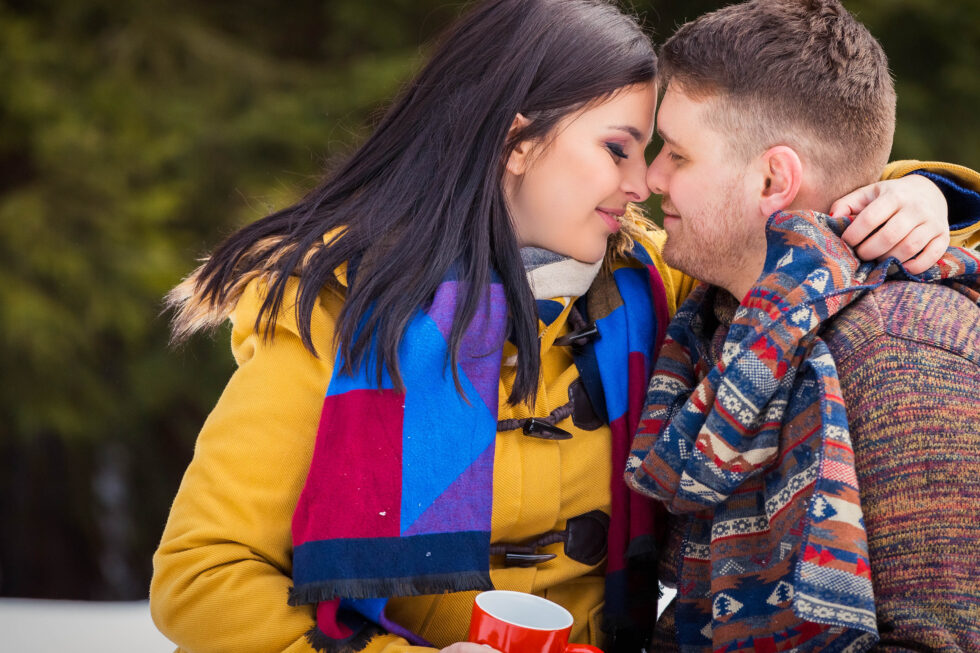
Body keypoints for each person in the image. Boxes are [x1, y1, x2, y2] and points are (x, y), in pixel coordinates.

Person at [150, 1, 978, 652]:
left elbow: (795, 206)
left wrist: (922, 194)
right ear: (519, 142)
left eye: (658, 152)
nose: (644, 182)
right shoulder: (341, 311)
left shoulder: (651, 280)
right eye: (619, 149)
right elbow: (201, 573)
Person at [627, 1, 980, 651]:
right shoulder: (723, 325)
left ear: (774, 178)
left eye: (677, 154)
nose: (651, 177)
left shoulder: (904, 350)